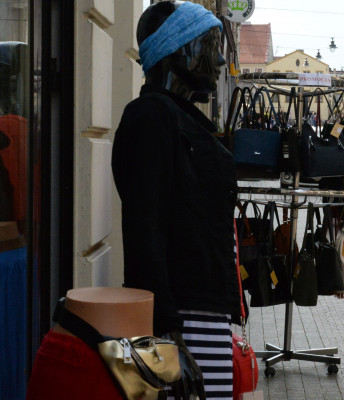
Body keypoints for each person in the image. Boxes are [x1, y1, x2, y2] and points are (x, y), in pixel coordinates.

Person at [111, 2, 239, 398]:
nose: (219, 60)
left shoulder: (180, 119)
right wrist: (169, 333)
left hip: (200, 313)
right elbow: (145, 230)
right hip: (182, 319)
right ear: (178, 49)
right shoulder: (151, 118)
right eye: (210, 45)